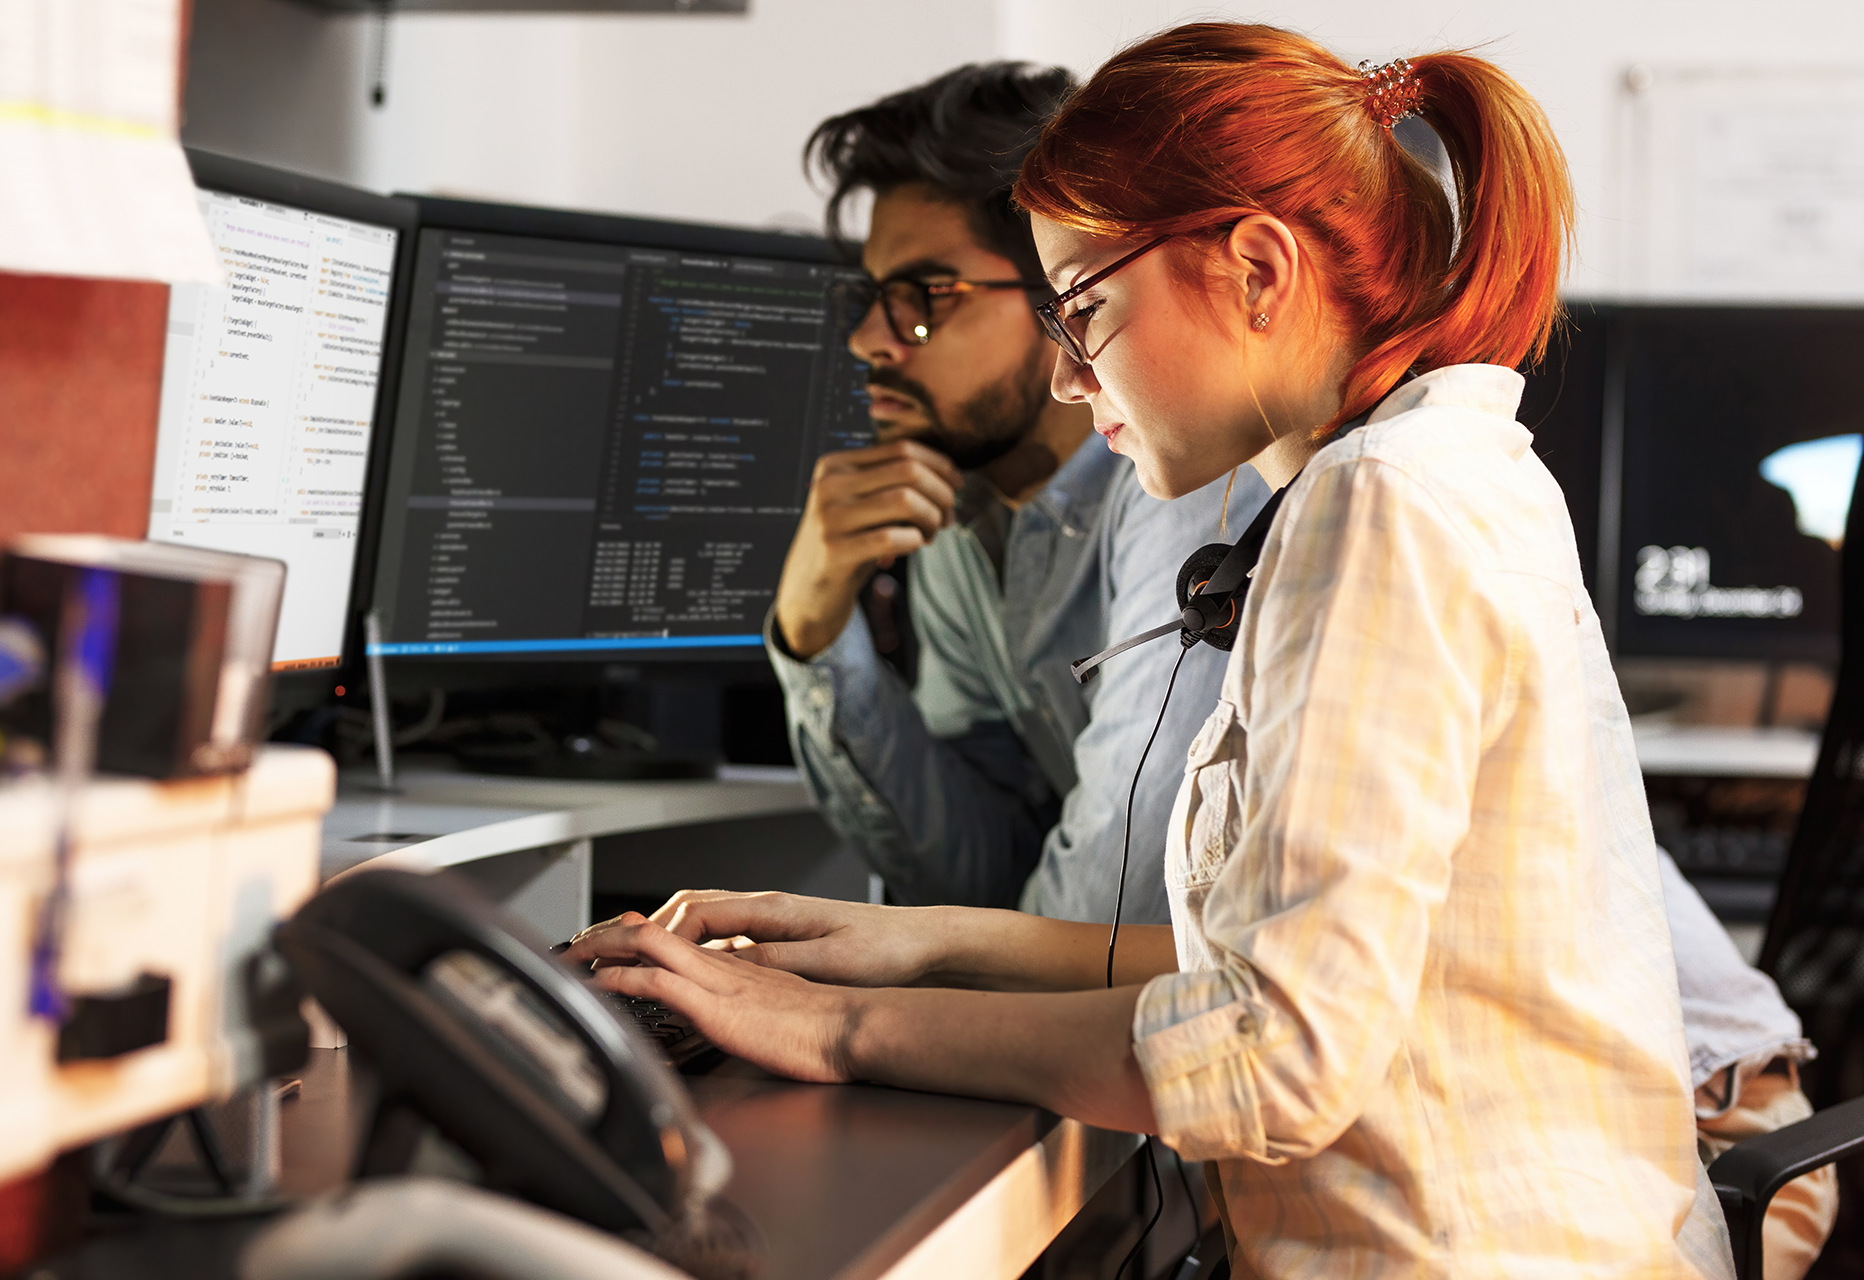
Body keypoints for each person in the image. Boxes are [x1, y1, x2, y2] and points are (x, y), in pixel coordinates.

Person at [572, 24, 1813, 1275]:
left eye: (1086, 310)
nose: (1069, 376)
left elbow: (1271, 1051)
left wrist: (838, 1030)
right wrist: (922, 942)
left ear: (1257, 270)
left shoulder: (1377, 502)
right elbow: (1287, 961)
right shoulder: (1440, 464)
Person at [767, 63, 1268, 922]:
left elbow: (1117, 909)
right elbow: (976, 881)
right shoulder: (962, 523)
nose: (865, 342)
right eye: (870, 298)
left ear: (1063, 292)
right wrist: (815, 635)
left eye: (922, 297)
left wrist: (863, 1004)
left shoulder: (1195, 486)